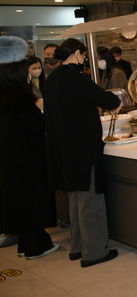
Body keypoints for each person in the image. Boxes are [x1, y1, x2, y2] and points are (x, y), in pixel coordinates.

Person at [43, 38, 121, 267]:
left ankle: (77, 246)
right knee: (90, 201)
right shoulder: (76, 79)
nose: (85, 59)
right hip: (82, 149)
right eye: (84, 55)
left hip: (63, 149)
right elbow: (109, 100)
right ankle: (95, 252)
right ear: (77, 53)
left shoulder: (52, 79)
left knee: (75, 201)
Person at [0, 36, 59, 260]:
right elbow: (38, 124)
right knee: (33, 202)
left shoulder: (5, 97)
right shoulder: (19, 99)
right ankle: (36, 246)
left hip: (9, 160)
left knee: (20, 202)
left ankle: (25, 245)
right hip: (28, 160)